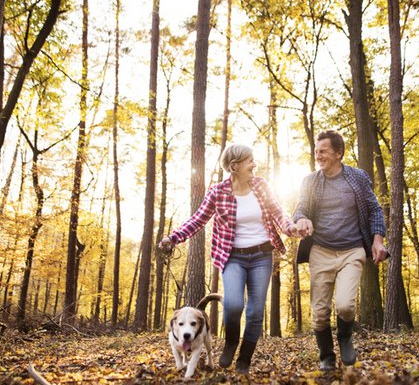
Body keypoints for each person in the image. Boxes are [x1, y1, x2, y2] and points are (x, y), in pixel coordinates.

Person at [159, 144, 298, 374]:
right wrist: (173, 238)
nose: (254, 164)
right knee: (233, 304)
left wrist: (291, 228)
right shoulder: (217, 192)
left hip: (262, 254)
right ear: (235, 166)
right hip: (233, 257)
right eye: (250, 161)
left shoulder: (261, 185)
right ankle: (232, 341)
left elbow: (278, 212)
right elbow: (197, 220)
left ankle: (244, 357)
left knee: (255, 311)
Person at [293, 130, 388, 371]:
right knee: (320, 312)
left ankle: (345, 338)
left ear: (338, 153)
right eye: (316, 151)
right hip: (321, 251)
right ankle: (326, 354)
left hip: (352, 250)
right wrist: (302, 219)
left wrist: (377, 241)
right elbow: (301, 208)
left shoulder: (357, 178)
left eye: (323, 151)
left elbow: (375, 209)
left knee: (345, 305)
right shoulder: (310, 181)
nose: (318, 156)